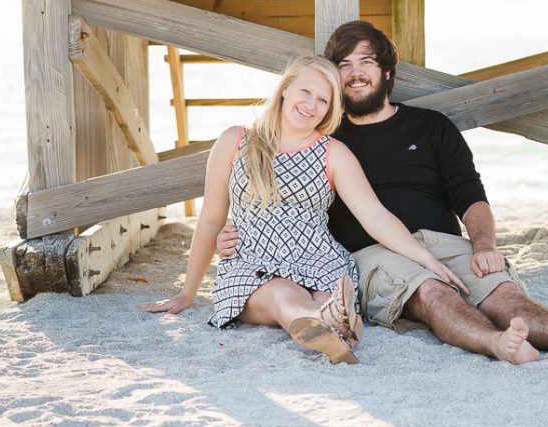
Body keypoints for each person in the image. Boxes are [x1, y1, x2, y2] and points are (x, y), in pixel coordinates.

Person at [217, 23, 548, 364]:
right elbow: (277, 192)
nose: (355, 72)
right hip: (371, 253)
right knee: (431, 291)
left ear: (388, 73)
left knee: (501, 289)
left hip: (444, 241)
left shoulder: (432, 127)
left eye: (367, 61)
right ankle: (494, 344)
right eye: (344, 64)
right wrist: (234, 233)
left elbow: (471, 197)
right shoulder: (322, 135)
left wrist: (485, 244)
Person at [137, 54, 480, 365]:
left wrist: (425, 258)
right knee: (284, 296)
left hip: (319, 260)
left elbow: (374, 216)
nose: (311, 105)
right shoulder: (235, 141)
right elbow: (211, 217)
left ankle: (336, 322)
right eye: (305, 92)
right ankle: (327, 322)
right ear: (284, 89)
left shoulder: (334, 153)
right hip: (253, 262)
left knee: (334, 297)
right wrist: (187, 292)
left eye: (322, 100)